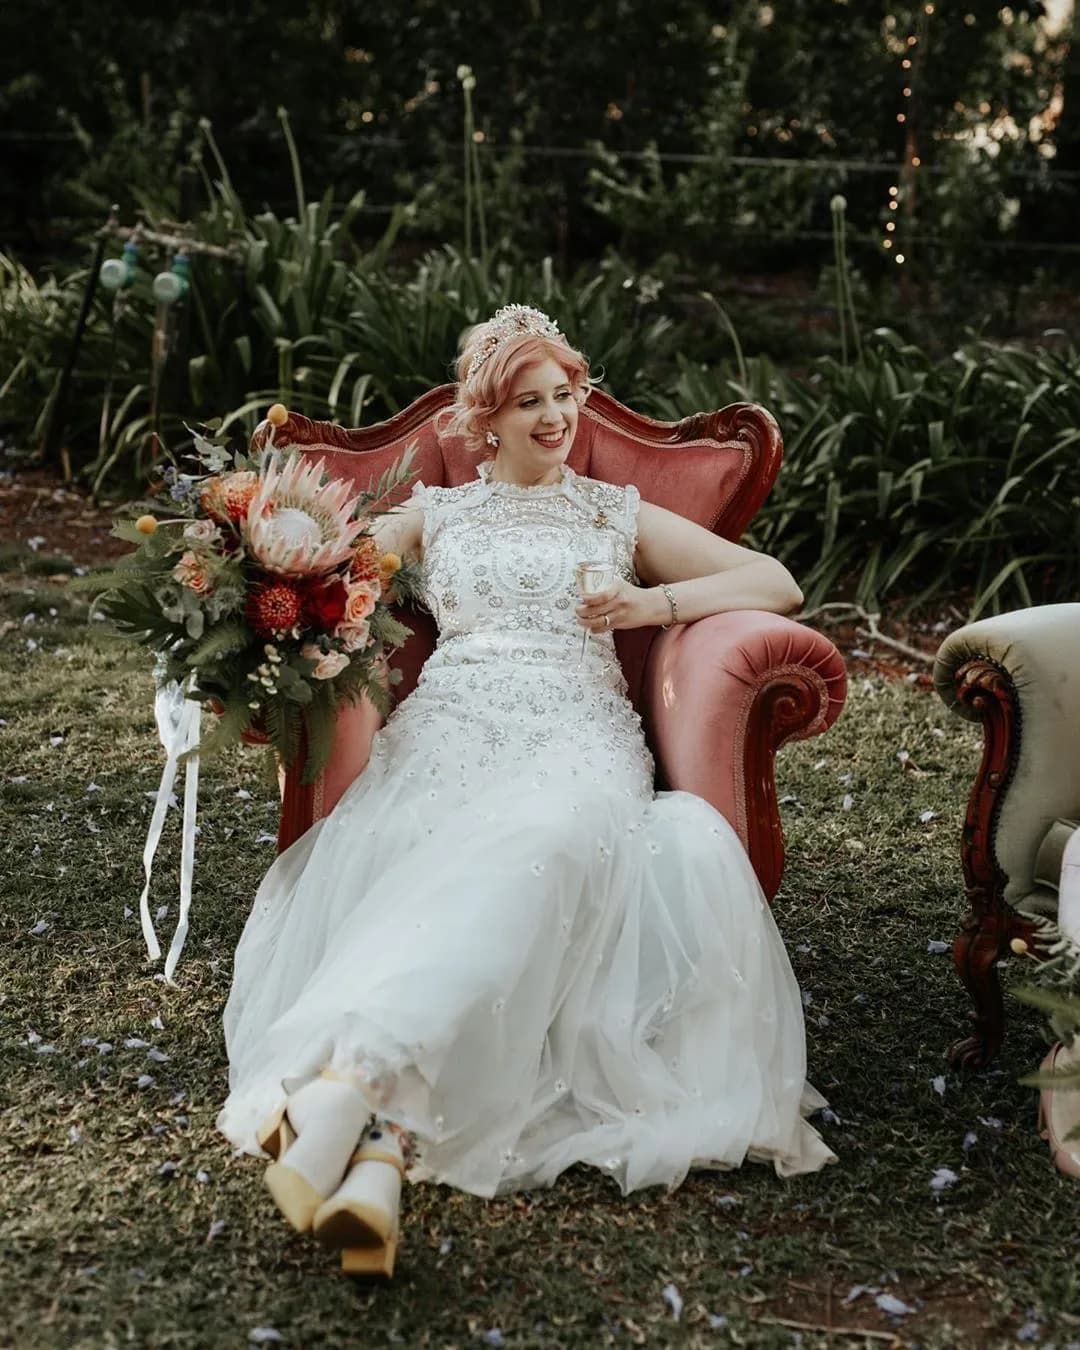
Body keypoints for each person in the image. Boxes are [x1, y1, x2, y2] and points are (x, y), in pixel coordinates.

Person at [216, 304, 836, 1278]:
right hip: (450, 733)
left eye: (566, 396)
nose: (556, 418)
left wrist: (649, 605)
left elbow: (776, 582)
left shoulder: (611, 510)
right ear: (485, 418)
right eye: (530, 401)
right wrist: (249, 577)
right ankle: (379, 1158)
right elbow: (332, 565)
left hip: (577, 739)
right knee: (434, 858)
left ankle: (349, 1087)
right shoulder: (438, 511)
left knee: (544, 845)